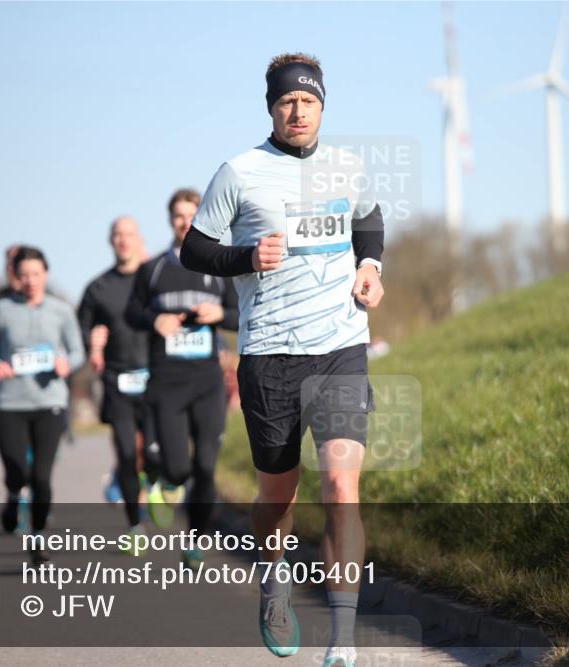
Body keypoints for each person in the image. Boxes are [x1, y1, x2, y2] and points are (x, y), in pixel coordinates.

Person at [180, 53, 385, 667]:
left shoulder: (349, 167)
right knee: (278, 495)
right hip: (270, 354)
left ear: (323, 106)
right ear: (271, 107)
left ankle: (343, 643)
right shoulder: (239, 173)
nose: (298, 111)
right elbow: (195, 247)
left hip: (342, 347)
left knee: (343, 487)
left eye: (309, 101)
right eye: (286, 102)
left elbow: (368, 220)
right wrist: (246, 260)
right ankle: (273, 582)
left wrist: (371, 267)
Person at [125, 188, 239, 567]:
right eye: (178, 215)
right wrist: (154, 319)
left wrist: (219, 314)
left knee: (206, 466)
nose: (184, 221)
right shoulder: (153, 268)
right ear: (170, 219)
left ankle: (195, 540)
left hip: (207, 381)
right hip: (166, 382)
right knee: (178, 467)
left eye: (192, 214)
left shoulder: (220, 268)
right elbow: (132, 314)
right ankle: (165, 482)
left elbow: (242, 317)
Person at [0, 246, 85, 564]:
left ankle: (37, 541)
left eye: (36, 274)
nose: (31, 280)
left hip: (50, 401)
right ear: (16, 277)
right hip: (10, 402)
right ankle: (12, 496)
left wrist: (68, 363)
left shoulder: (61, 310)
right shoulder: (1, 310)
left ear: (46, 274)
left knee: (41, 476)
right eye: (24, 275)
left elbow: (77, 350)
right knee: (16, 469)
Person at [77, 216, 156, 543]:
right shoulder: (98, 288)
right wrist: (91, 345)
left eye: (129, 234)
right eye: (117, 235)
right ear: (111, 241)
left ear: (139, 239)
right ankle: (134, 524)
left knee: (154, 454)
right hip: (117, 379)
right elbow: (79, 330)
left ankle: (154, 486)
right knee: (126, 452)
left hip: (157, 378)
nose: (123, 240)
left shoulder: (155, 280)